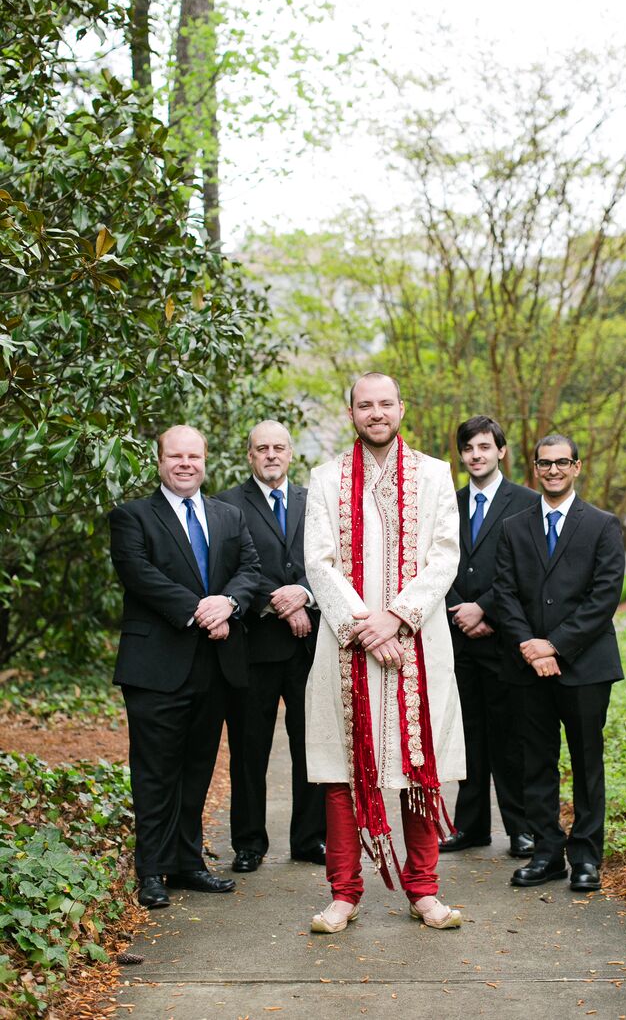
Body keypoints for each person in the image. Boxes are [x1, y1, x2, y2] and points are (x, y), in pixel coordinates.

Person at [304, 372, 465, 933]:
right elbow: (317, 562)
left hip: (417, 640)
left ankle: (423, 890)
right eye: (365, 404)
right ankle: (343, 895)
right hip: (346, 646)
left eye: (385, 403)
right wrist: (363, 625)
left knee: (421, 767)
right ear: (351, 412)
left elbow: (445, 556)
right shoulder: (324, 479)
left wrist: (396, 616)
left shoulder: (435, 475)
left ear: (402, 408)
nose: (376, 412)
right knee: (343, 771)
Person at [109, 425, 261, 909]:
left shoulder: (228, 516)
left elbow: (250, 570)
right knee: (155, 771)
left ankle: (188, 862)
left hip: (214, 665)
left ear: (206, 460)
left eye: (193, 456)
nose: (185, 464)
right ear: (159, 462)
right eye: (175, 456)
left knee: (197, 769)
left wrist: (230, 604)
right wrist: (203, 609)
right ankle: (152, 870)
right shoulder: (132, 516)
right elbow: (139, 575)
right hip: (156, 666)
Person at [494, 433, 625, 892]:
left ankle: (587, 857)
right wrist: (530, 646)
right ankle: (547, 853)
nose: (552, 470)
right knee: (536, 762)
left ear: (577, 466)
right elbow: (504, 594)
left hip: (587, 667)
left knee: (587, 763)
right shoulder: (513, 527)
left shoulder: (603, 525)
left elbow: (604, 596)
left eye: (561, 462)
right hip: (527, 668)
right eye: (544, 463)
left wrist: (554, 647)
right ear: (534, 467)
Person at [216, 421, 326, 873]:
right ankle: (248, 843)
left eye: (279, 447)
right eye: (262, 448)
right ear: (249, 456)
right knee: (249, 747)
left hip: (308, 649)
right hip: (253, 646)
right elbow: (231, 566)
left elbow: (330, 560)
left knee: (310, 746)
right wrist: (277, 602)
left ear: (291, 453)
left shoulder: (314, 500)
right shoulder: (225, 504)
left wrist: (303, 592)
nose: (271, 455)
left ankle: (309, 839)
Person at [442, 415, 538, 857]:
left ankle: (521, 828)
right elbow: (436, 562)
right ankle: (471, 826)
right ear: (460, 455)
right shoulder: (447, 502)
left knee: (510, 737)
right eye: (468, 449)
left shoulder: (527, 502)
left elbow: (531, 571)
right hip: (457, 637)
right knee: (468, 735)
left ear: (501, 450)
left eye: (484, 447)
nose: (476, 455)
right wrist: (462, 608)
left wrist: (486, 608)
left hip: (505, 639)